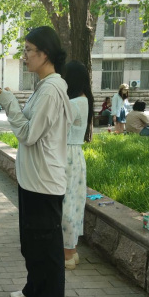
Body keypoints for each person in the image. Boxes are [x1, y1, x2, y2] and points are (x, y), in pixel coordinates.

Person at [0, 26, 73, 297]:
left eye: (29, 50)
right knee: (32, 243)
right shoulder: (44, 86)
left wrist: (9, 104)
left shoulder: (51, 90)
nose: (24, 55)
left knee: (45, 247)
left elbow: (28, 134)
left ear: (45, 53)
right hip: (33, 180)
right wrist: (11, 102)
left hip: (44, 182)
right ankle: (34, 289)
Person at [62, 61, 93, 270]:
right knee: (74, 202)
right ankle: (72, 251)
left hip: (66, 155)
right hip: (75, 155)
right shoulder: (84, 100)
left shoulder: (73, 103)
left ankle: (67, 253)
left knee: (65, 204)